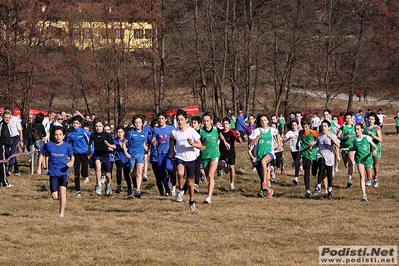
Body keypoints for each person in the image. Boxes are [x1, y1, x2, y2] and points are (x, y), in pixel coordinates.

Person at [169, 109, 204, 211]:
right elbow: (171, 138)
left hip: (191, 158)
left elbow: (201, 146)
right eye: (178, 120)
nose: (180, 122)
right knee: (180, 173)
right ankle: (180, 189)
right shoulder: (174, 132)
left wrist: (192, 144)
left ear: (186, 120)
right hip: (180, 156)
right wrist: (172, 150)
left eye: (181, 120)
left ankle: (191, 201)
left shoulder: (191, 131)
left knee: (190, 183)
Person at [37, 126, 74, 218]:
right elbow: (42, 154)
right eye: (56, 135)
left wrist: (71, 162)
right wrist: (39, 168)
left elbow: (72, 156)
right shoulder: (49, 145)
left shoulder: (67, 146)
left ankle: (61, 213)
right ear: (53, 135)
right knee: (55, 196)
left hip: (63, 172)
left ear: (64, 135)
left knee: (63, 192)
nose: (58, 136)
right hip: (53, 172)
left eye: (60, 135)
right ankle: (60, 199)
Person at [342, 123, 377, 201]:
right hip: (359, 160)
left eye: (358, 129)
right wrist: (347, 149)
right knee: (362, 176)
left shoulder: (367, 138)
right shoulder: (354, 139)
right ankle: (364, 195)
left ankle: (370, 179)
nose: (356, 131)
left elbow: (375, 146)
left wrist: (374, 151)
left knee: (369, 177)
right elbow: (354, 148)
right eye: (355, 129)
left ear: (362, 129)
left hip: (368, 160)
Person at [200, 112, 230, 204]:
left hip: (214, 155)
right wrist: (198, 146)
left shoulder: (216, 130)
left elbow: (220, 135)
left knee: (210, 175)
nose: (206, 123)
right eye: (204, 121)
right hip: (204, 156)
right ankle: (210, 190)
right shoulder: (200, 131)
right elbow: (196, 141)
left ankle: (209, 197)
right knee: (208, 177)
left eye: (207, 121)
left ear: (211, 121)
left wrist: (225, 142)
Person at [249, 114, 281, 198]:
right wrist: (259, 137)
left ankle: (263, 184)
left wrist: (279, 144)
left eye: (265, 120)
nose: (263, 122)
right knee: (264, 175)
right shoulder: (257, 131)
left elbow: (277, 134)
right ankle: (269, 191)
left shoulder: (271, 130)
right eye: (261, 120)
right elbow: (251, 143)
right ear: (259, 122)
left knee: (264, 162)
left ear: (268, 121)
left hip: (269, 153)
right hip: (259, 154)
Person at [311, 120, 340, 200]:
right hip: (320, 154)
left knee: (329, 174)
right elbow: (318, 144)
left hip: (329, 157)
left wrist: (330, 137)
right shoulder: (319, 136)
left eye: (325, 126)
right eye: (322, 126)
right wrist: (311, 146)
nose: (323, 128)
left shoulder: (332, 135)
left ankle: (330, 190)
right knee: (321, 167)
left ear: (329, 127)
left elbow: (338, 145)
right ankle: (318, 186)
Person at [88, 118, 116, 196]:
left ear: (103, 126)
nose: (98, 128)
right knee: (97, 167)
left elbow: (114, 146)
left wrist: (109, 145)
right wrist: (88, 151)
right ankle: (98, 185)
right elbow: (89, 144)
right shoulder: (93, 135)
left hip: (105, 155)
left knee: (107, 173)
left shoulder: (107, 135)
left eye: (100, 126)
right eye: (96, 126)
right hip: (96, 155)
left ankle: (109, 185)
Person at [122, 115, 148, 198]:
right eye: (136, 122)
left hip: (140, 154)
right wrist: (126, 153)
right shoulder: (130, 133)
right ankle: (135, 184)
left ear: (142, 124)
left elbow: (144, 143)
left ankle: (138, 189)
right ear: (133, 124)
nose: (137, 124)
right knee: (132, 173)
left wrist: (147, 149)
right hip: (131, 155)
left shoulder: (144, 133)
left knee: (139, 171)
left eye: (139, 122)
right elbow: (123, 143)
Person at [152, 111, 176, 196]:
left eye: (162, 118)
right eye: (159, 119)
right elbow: (153, 139)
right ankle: (167, 188)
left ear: (166, 119)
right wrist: (153, 142)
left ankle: (173, 180)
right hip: (159, 153)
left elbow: (175, 137)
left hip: (168, 152)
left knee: (169, 167)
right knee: (161, 172)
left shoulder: (171, 128)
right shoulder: (156, 129)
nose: (160, 120)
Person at [66, 115, 90, 198]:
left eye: (77, 123)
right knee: (76, 173)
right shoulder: (70, 134)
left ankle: (85, 176)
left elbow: (90, 142)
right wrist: (69, 154)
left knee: (84, 172)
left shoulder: (83, 132)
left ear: (79, 124)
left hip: (84, 153)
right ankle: (78, 191)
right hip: (75, 155)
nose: (75, 125)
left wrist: (90, 151)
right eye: (74, 123)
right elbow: (68, 144)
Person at [297, 118, 318, 198]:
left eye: (306, 127)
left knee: (314, 172)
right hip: (305, 154)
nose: (305, 129)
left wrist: (314, 143)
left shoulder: (314, 133)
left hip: (314, 154)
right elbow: (299, 138)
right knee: (306, 171)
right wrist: (297, 144)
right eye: (303, 127)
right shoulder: (301, 132)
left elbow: (319, 141)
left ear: (309, 125)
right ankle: (307, 190)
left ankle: (315, 170)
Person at [219, 117, 241, 190]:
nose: (225, 125)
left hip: (231, 152)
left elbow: (240, 141)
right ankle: (224, 167)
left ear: (229, 124)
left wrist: (238, 136)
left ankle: (232, 183)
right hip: (222, 151)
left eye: (227, 124)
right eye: (224, 123)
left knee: (232, 168)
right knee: (221, 164)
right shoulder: (220, 132)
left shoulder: (232, 132)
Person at [337, 112, 356, 188]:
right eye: (347, 118)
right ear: (345, 119)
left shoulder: (354, 127)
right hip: (343, 147)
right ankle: (350, 166)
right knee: (346, 164)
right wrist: (345, 138)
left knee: (351, 163)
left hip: (351, 147)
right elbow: (338, 136)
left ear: (352, 119)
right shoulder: (343, 127)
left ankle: (349, 180)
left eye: (349, 118)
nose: (348, 120)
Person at [364, 112, 382, 188]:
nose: (370, 120)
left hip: (376, 148)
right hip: (367, 148)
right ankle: (368, 179)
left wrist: (372, 135)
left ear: (375, 120)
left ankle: (376, 178)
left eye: (372, 119)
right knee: (367, 164)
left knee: (375, 165)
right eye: (369, 119)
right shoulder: (365, 128)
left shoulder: (377, 128)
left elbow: (380, 139)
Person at [113, 126, 132, 196]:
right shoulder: (114, 140)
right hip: (118, 158)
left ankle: (129, 188)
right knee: (119, 169)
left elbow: (129, 149)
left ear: (124, 133)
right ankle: (119, 186)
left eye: (121, 132)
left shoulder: (126, 140)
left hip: (126, 159)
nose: (119, 133)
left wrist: (124, 147)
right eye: (118, 132)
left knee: (126, 174)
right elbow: (112, 147)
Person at [6, 109, 24, 176]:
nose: (8, 115)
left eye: (9, 113)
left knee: (12, 153)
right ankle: (17, 170)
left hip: (15, 137)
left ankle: (10, 170)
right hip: (8, 138)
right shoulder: (4, 120)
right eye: (6, 113)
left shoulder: (16, 119)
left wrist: (21, 140)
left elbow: (20, 130)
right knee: (11, 154)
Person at [284, 120, 300, 185]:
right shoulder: (289, 132)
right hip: (293, 150)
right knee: (297, 163)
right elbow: (283, 140)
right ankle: (297, 176)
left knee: (297, 162)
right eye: (292, 125)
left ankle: (296, 177)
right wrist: (289, 138)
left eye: (295, 125)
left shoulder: (300, 132)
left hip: (299, 149)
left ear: (297, 125)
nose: (294, 127)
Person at [0, 111, 13, 187]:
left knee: (3, 164)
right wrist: (8, 143)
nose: (7, 119)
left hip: (6, 147)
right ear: (2, 117)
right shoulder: (2, 125)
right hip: (2, 147)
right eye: (6, 118)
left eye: (8, 118)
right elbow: (1, 138)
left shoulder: (6, 125)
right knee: (3, 164)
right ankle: (5, 183)